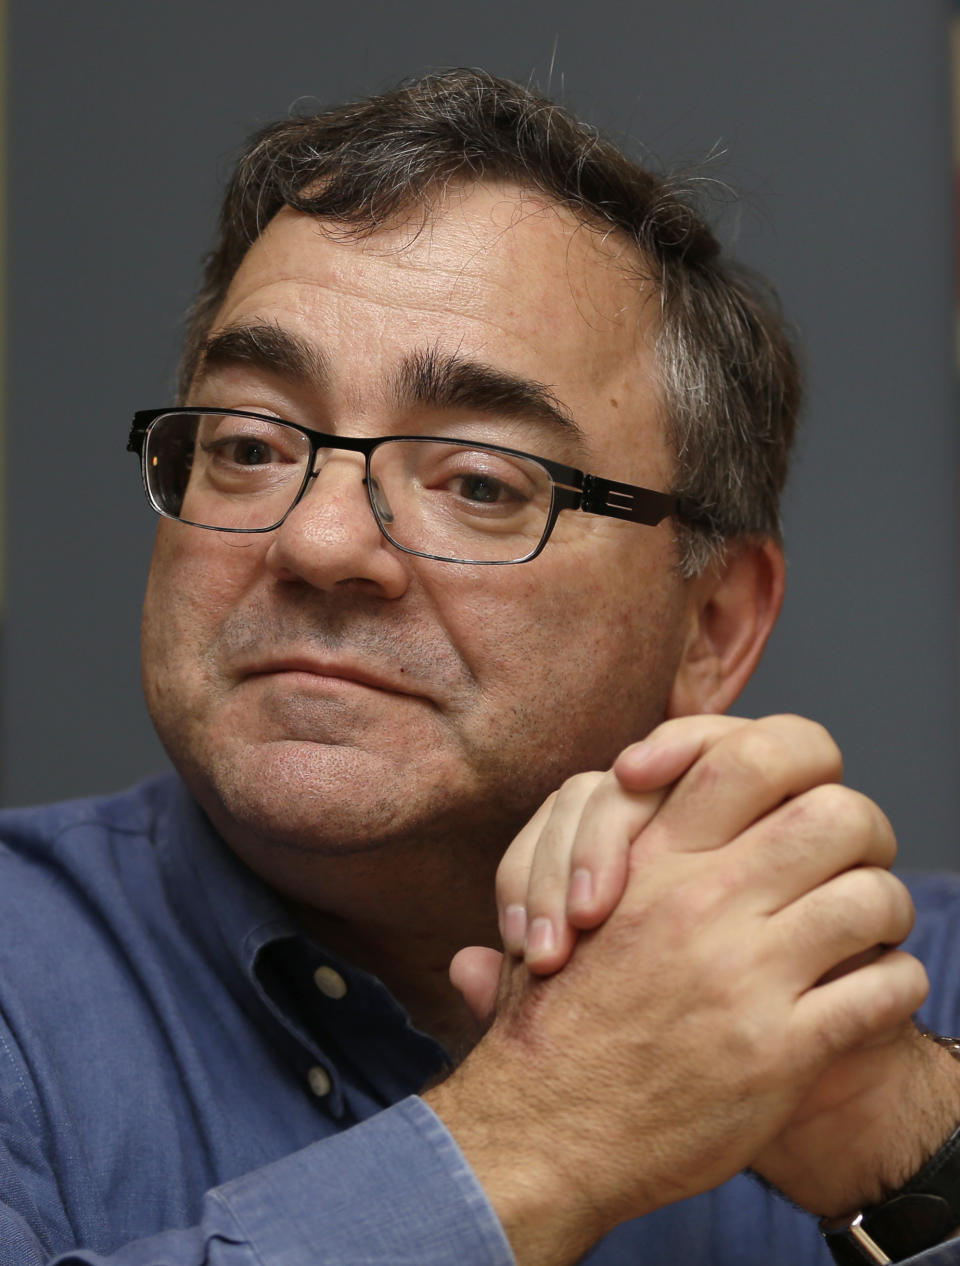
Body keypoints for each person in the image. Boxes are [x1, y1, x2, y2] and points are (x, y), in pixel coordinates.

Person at [2, 66, 959, 1266]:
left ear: (710, 625)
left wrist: (907, 1135)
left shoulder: (912, 995)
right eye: (248, 444)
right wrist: (542, 1139)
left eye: (479, 483)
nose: (319, 541)